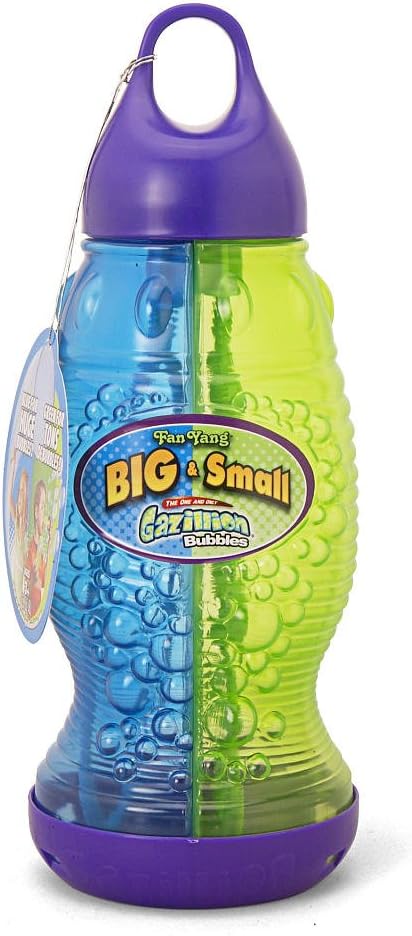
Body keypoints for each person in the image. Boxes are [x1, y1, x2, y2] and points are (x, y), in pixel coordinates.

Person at [25, 479, 50, 621]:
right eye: (42, 507)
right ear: (35, 511)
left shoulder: (46, 549)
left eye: (46, 507)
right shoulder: (30, 552)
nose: (46, 515)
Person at [8, 453, 29, 608]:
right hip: (20, 580)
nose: (20, 497)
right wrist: (13, 465)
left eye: (24, 491)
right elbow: (9, 496)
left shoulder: (27, 528)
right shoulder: (19, 522)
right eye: (20, 491)